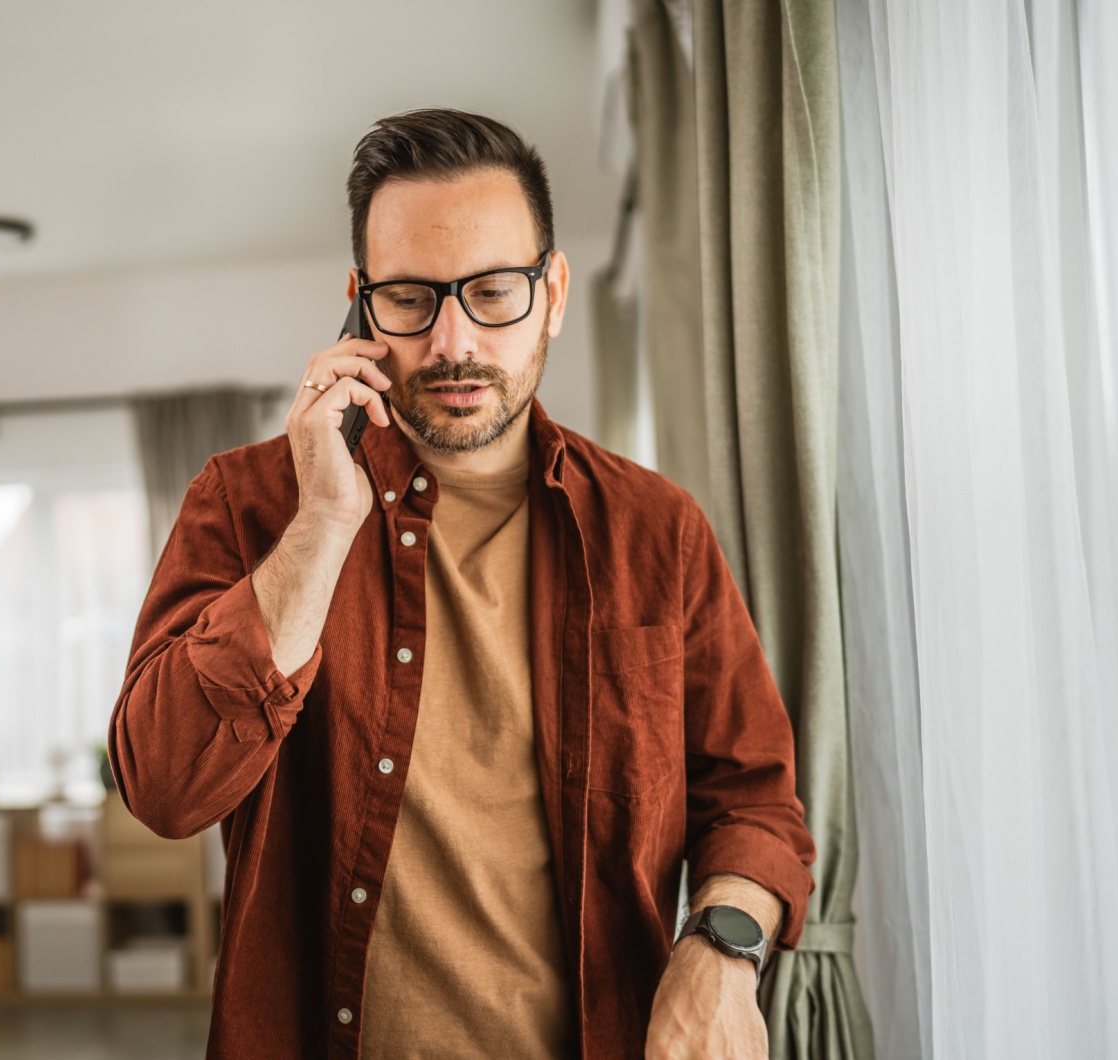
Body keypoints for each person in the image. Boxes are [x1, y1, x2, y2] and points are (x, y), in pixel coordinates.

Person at [109, 108, 816, 1059]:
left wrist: (721, 954)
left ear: (554, 293)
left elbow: (754, 798)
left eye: (492, 292)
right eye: (409, 297)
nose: (453, 341)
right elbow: (161, 788)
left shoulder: (659, 530)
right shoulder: (246, 502)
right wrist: (321, 525)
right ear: (359, 305)